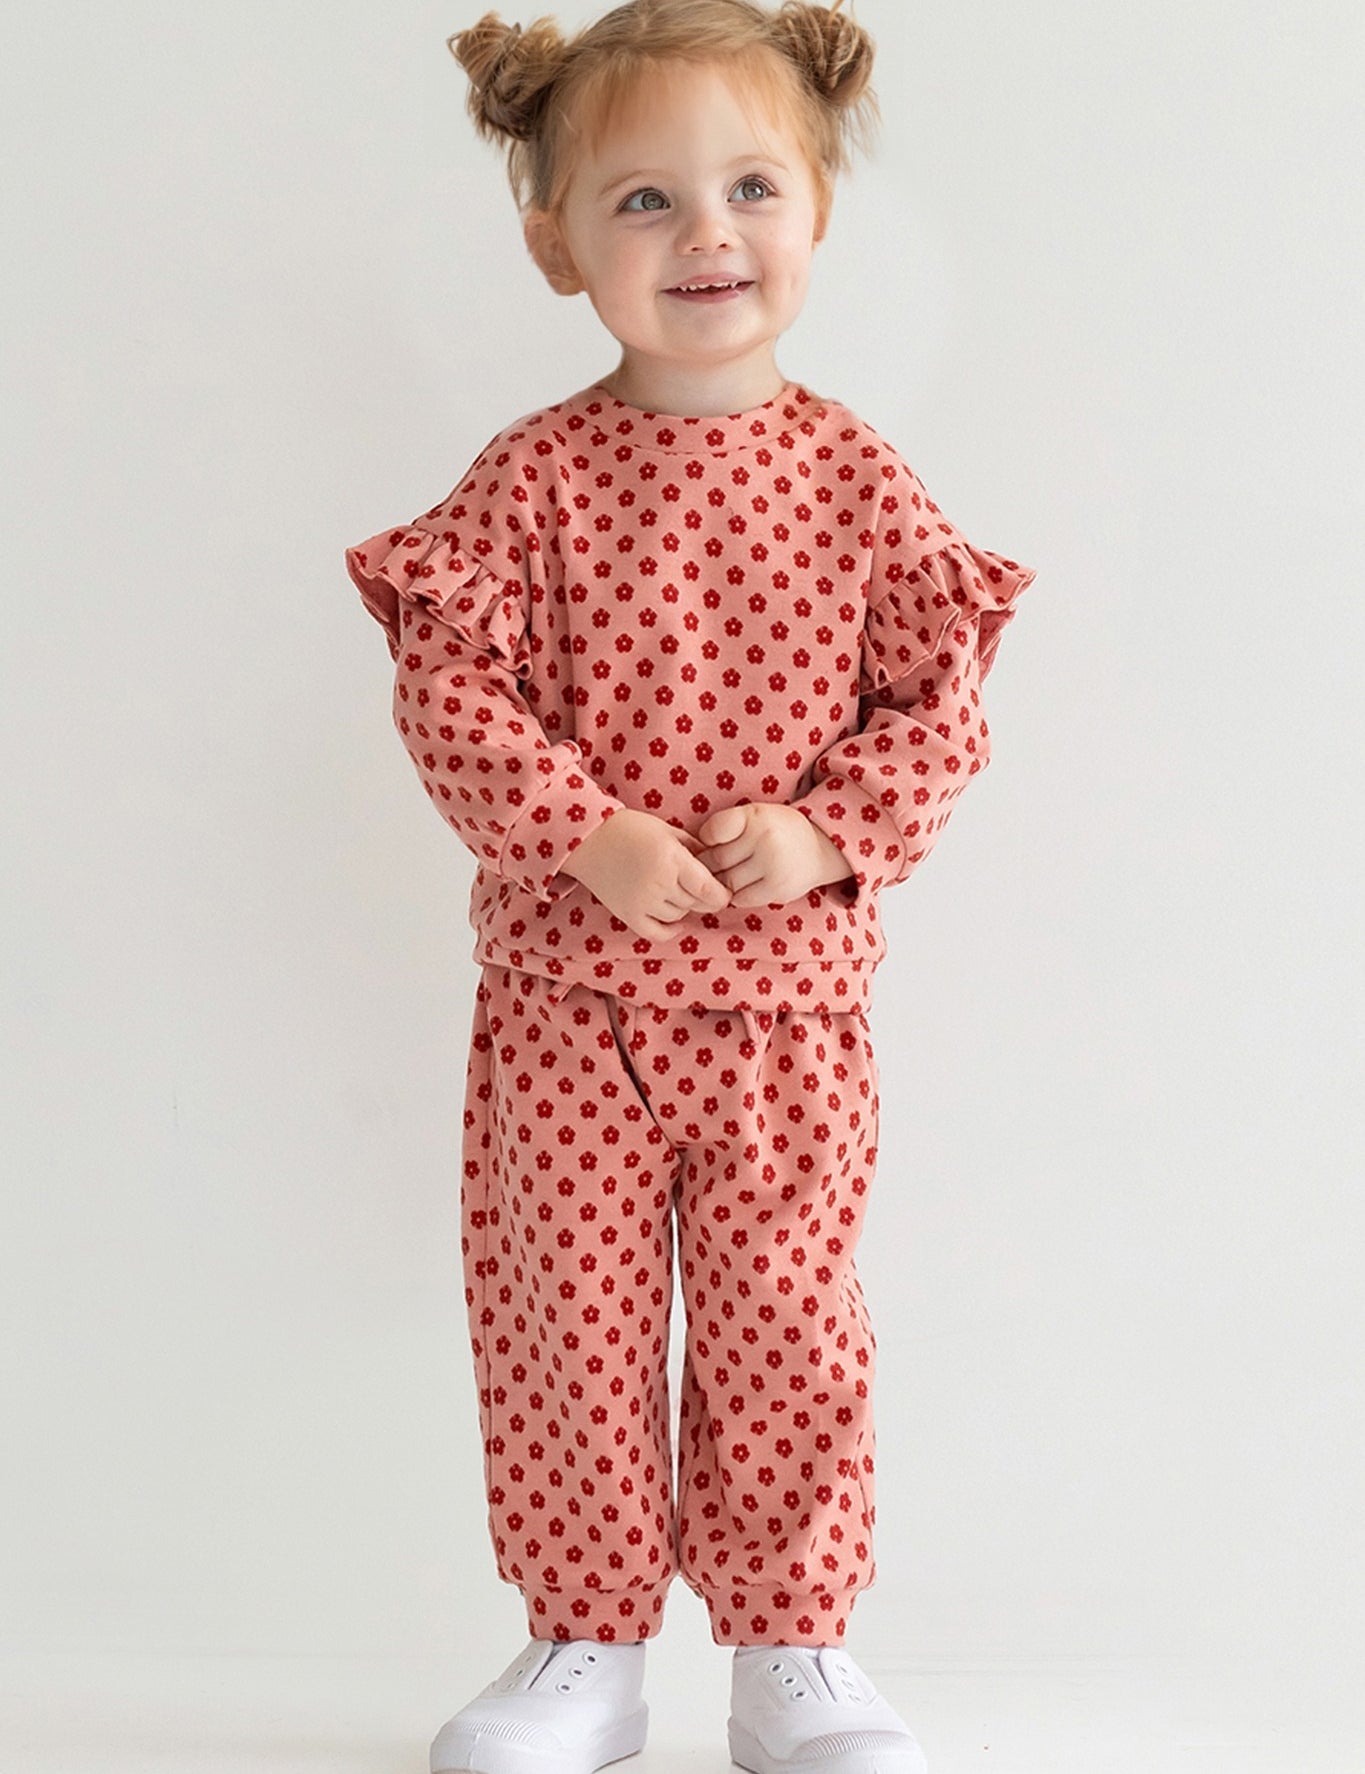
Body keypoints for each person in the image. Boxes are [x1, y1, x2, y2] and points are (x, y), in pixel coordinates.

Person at [344, 3, 1035, 1769]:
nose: (704, 235)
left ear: (814, 214)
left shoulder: (858, 483)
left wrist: (821, 834)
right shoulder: (532, 482)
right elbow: (449, 688)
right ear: (556, 246)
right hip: (569, 1010)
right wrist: (582, 828)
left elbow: (938, 711)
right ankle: (582, 1643)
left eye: (746, 188)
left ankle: (792, 1648)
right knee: (566, 1324)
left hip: (787, 1019)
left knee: (783, 1326)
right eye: (642, 202)